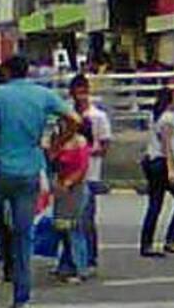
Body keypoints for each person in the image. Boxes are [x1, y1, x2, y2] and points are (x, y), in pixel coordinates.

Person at [0, 54, 77, 308]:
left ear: (7, 72)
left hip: (0, 168)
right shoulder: (42, 95)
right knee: (23, 233)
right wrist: (57, 143)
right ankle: (22, 295)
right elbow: (73, 119)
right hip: (30, 167)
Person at [139, 87, 174, 258]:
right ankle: (172, 239)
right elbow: (167, 145)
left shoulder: (155, 117)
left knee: (155, 203)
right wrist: (172, 169)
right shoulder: (168, 118)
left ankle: (146, 243)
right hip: (164, 162)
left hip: (152, 161)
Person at [68, 74, 110, 271]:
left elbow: (104, 146)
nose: (81, 97)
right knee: (67, 220)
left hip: (90, 172)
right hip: (69, 173)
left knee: (86, 218)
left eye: (83, 92)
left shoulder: (98, 116)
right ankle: (70, 258)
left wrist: (86, 151)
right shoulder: (68, 115)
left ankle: (90, 258)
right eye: (77, 93)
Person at [49, 116, 91, 282]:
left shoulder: (80, 142)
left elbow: (82, 167)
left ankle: (80, 267)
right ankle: (65, 264)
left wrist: (69, 182)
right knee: (62, 229)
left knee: (74, 228)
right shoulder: (58, 142)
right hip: (60, 187)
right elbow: (51, 161)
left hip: (75, 188)